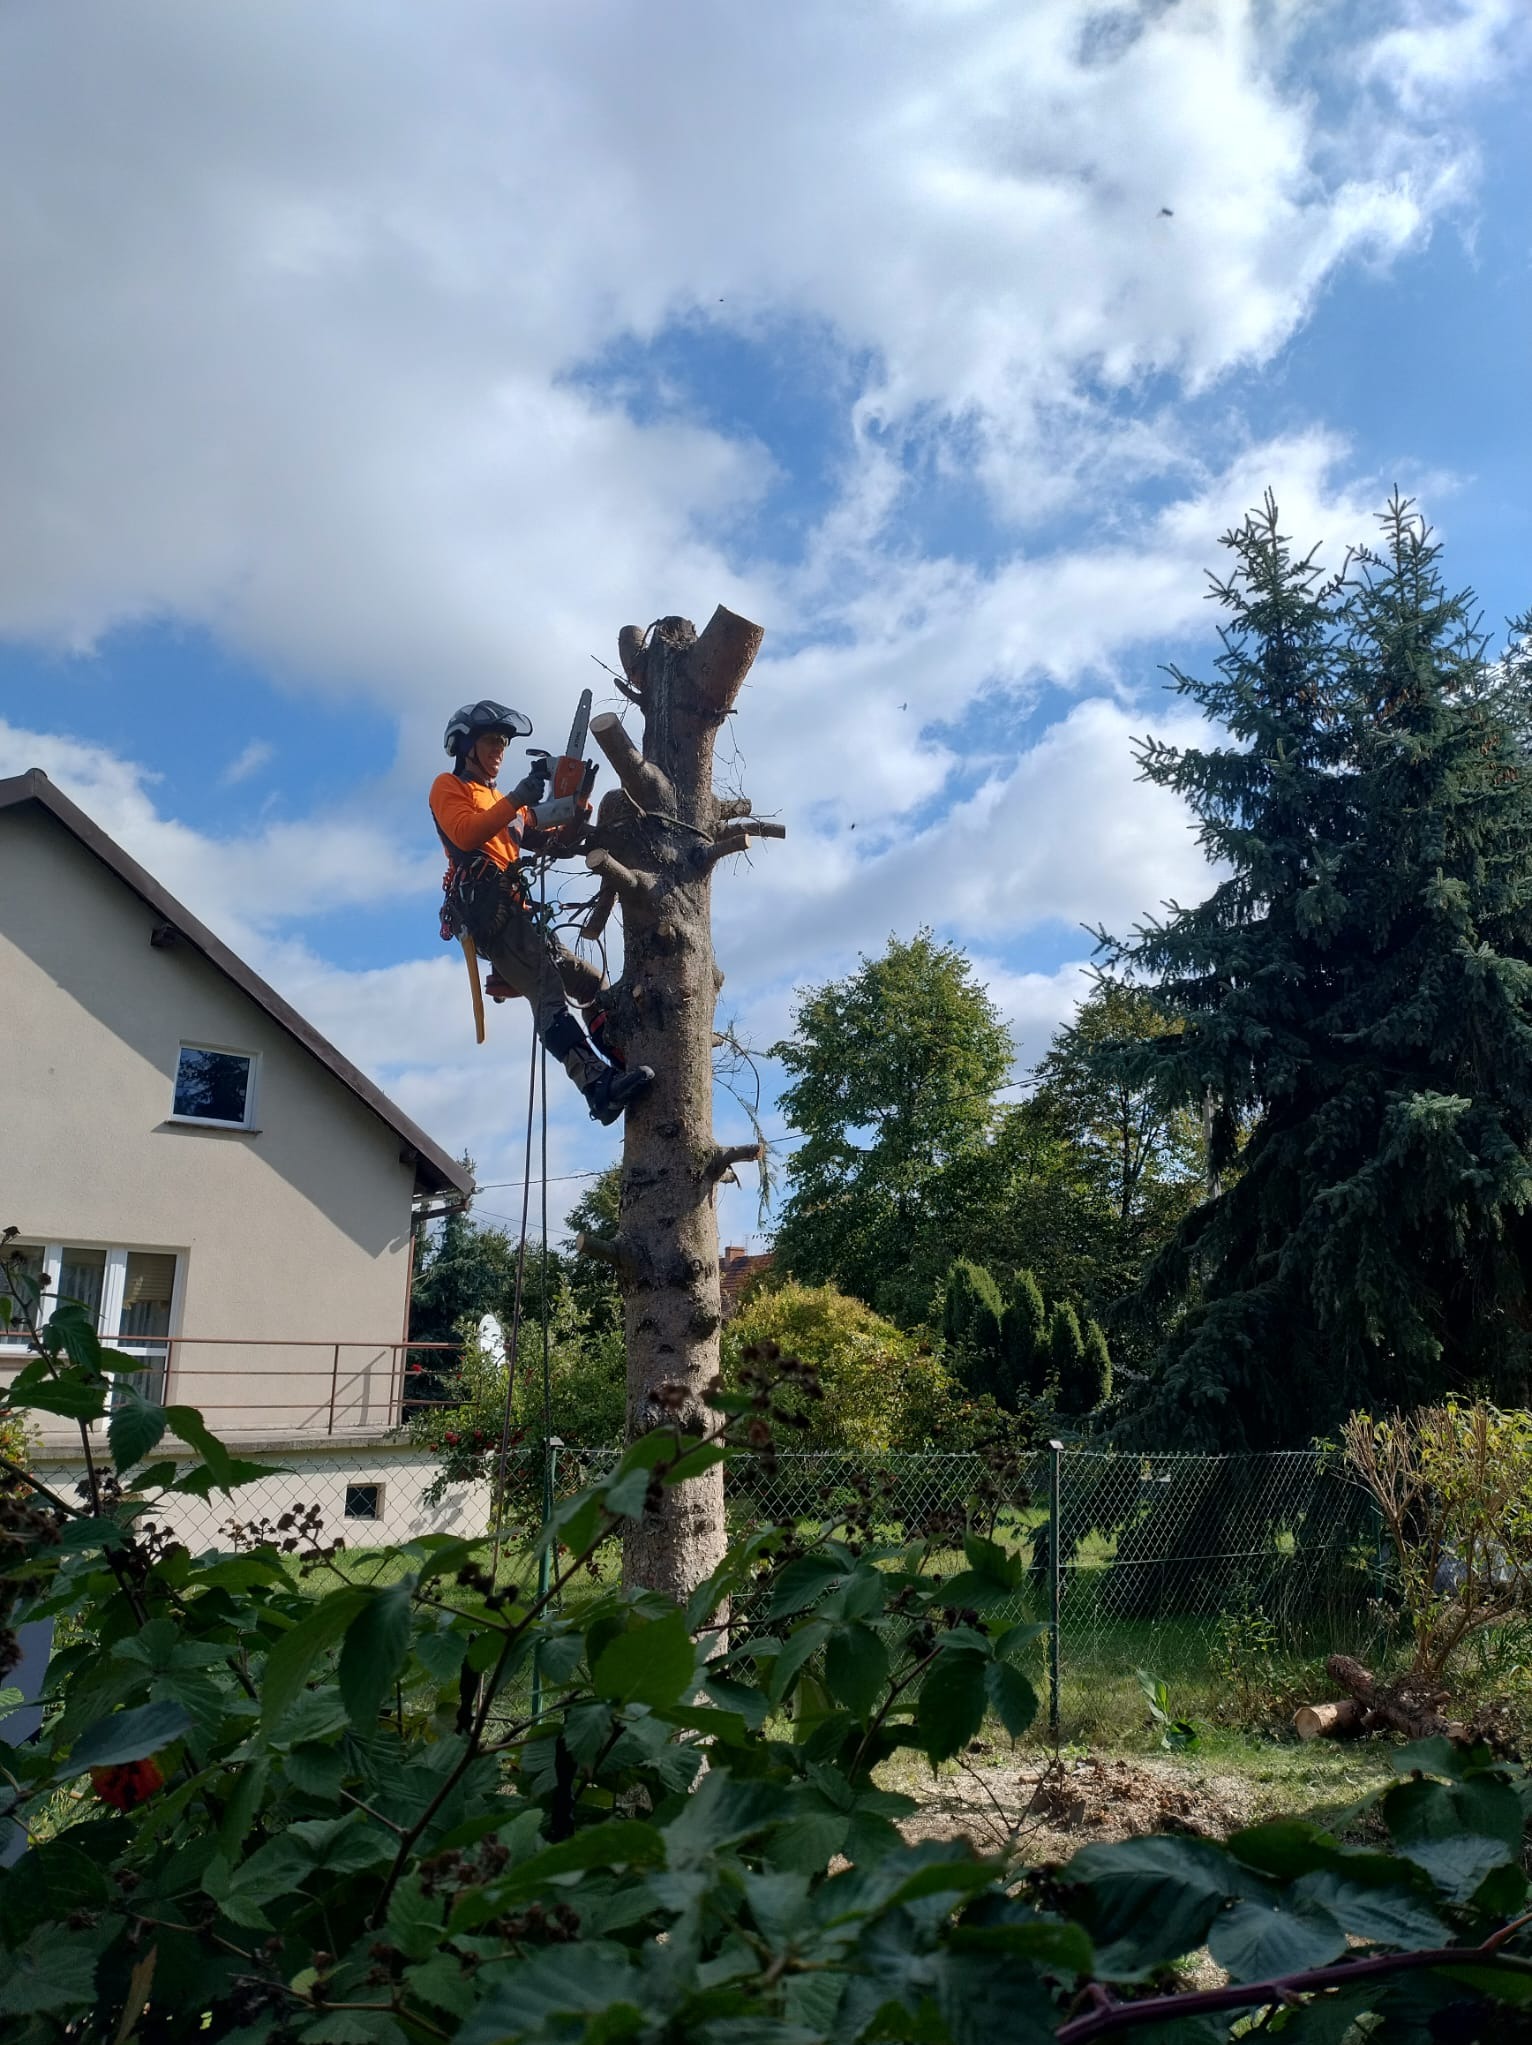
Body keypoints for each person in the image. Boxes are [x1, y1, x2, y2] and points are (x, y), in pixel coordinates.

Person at [430, 699, 653, 1124]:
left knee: (589, 982)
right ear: (465, 746)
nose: (499, 749)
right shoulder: (449, 787)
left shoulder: (499, 801)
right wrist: (517, 798)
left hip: (520, 911)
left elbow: (556, 838)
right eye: (492, 741)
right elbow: (465, 833)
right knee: (548, 992)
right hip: (489, 911)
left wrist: (575, 798)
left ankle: (619, 1055)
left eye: (503, 743)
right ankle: (596, 1087)